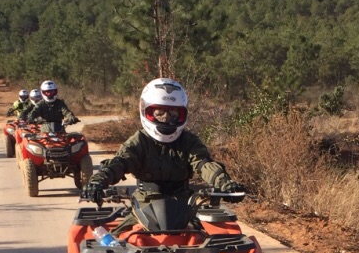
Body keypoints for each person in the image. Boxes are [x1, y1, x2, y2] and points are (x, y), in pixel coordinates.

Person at [82, 79, 243, 202]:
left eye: (173, 113)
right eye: (159, 113)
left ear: (182, 114)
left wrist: (225, 184)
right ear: (145, 111)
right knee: (122, 235)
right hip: (143, 203)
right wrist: (97, 182)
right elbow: (119, 163)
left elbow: (204, 165)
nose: (166, 119)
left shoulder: (189, 141)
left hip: (183, 204)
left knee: (209, 235)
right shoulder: (139, 141)